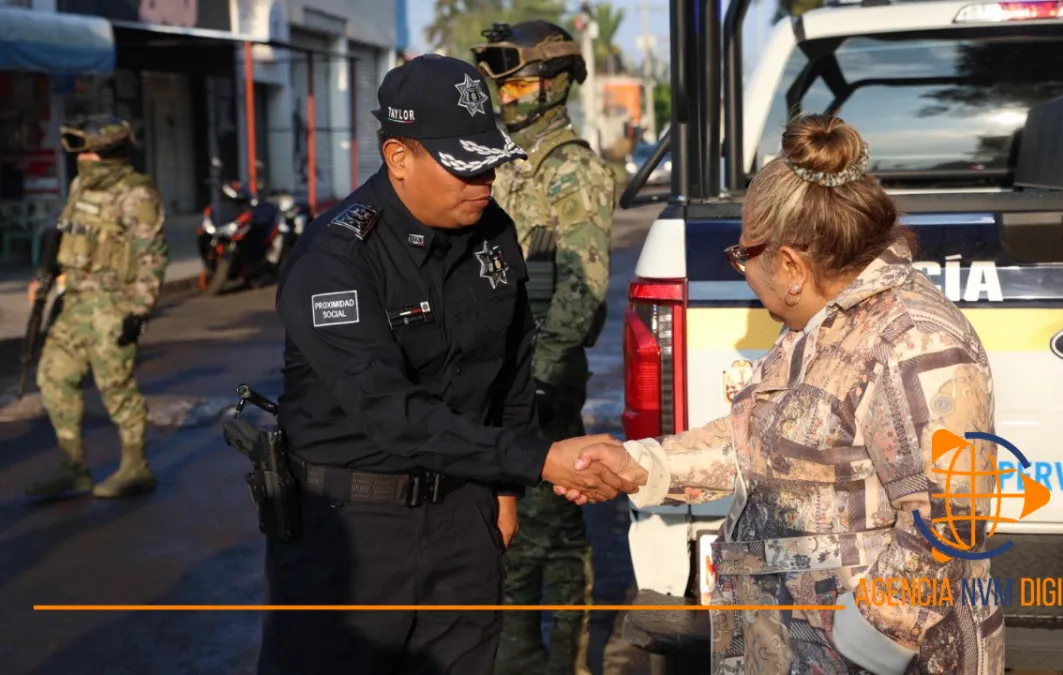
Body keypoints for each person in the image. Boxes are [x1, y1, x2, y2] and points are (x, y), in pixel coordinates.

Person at [564, 114, 1005, 675]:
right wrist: (640, 465)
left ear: (792, 265)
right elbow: (765, 442)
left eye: (744, 254)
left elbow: (950, 517)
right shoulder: (821, 325)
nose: (743, 269)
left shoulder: (915, 342)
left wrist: (871, 635)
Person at [261, 53, 636, 675]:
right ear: (399, 158)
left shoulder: (492, 232)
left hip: (466, 519)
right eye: (464, 167)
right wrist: (538, 461)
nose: (483, 180)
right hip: (351, 536)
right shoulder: (335, 261)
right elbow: (392, 414)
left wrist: (505, 491)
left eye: (489, 161)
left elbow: (512, 366)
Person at [472, 19, 616, 675]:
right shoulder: (507, 164)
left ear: (555, 86)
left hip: (542, 375)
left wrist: (545, 375)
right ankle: (515, 650)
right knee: (506, 522)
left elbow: (583, 290)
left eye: (522, 82)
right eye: (503, 86)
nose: (509, 96)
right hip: (496, 373)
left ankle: (568, 661)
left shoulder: (572, 170)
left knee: (555, 525)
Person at [25, 115, 167, 500]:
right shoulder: (79, 187)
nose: (82, 159)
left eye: (87, 151)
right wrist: (47, 278)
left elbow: (151, 256)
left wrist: (139, 310)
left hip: (113, 305)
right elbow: (67, 233)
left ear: (107, 153)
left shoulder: (136, 193)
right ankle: (73, 467)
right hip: (75, 302)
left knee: (116, 387)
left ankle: (136, 467)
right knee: (53, 377)